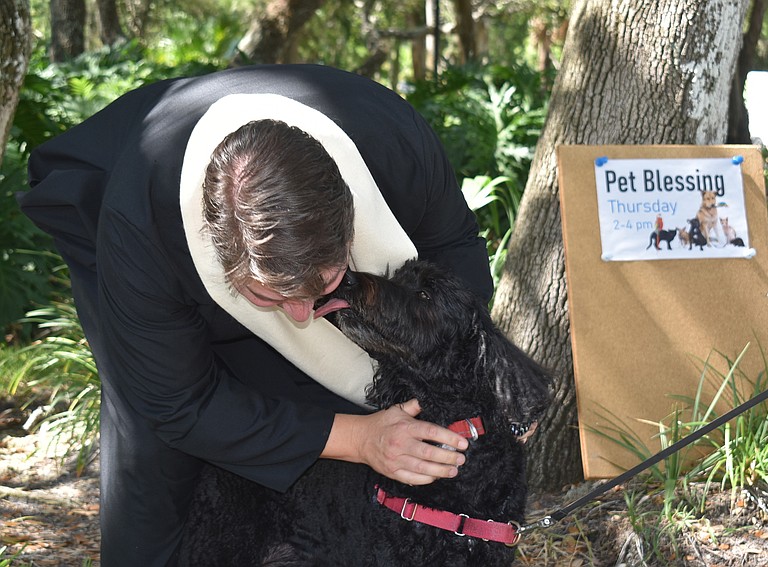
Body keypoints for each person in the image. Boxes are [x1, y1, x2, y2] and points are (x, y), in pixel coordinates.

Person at [19, 64, 493, 566]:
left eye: (322, 285)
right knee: (157, 456)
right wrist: (361, 438)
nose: (301, 315)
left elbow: (452, 247)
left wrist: (477, 368)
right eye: (272, 298)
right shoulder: (142, 236)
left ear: (347, 230)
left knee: (343, 408)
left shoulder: (394, 142)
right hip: (124, 213)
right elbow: (179, 403)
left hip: (332, 174)